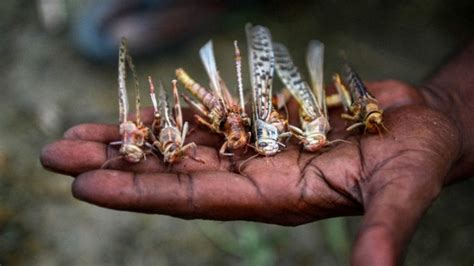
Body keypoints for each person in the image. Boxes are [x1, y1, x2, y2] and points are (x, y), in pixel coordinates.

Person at [40, 40, 473, 265]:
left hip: (264, 113)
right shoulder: (220, 134)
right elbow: (237, 135)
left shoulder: (310, 129)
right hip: (219, 110)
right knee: (188, 102)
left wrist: (448, 106)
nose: (250, 147)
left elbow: (287, 130)